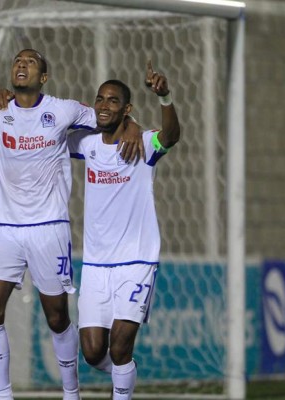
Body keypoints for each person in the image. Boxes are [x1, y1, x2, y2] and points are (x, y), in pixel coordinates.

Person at [0, 22, 144, 400]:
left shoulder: (64, 110)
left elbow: (110, 117)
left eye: (30, 62)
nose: (21, 65)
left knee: (57, 318)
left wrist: (134, 125)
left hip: (49, 229)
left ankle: (70, 394)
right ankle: (4, 396)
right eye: (17, 61)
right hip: (6, 229)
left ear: (44, 76)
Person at [67, 62, 181, 400]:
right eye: (100, 99)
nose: (104, 106)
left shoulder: (143, 145)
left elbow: (171, 136)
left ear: (127, 108)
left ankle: (123, 386)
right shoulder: (86, 145)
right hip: (96, 266)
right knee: (91, 352)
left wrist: (164, 97)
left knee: (119, 347)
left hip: (136, 261)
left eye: (113, 101)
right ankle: (125, 375)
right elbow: (50, 133)